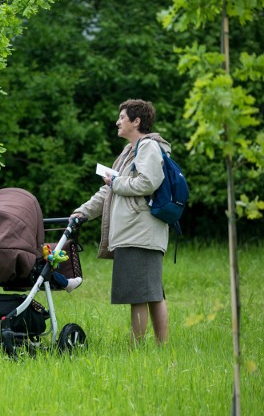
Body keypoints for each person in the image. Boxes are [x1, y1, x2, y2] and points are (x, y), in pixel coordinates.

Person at [70, 99, 170, 345]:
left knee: (141, 295)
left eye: (122, 117)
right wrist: (82, 212)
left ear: (136, 121)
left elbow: (147, 182)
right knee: (151, 294)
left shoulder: (149, 147)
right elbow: (110, 191)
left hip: (140, 232)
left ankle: (137, 351)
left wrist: (115, 183)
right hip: (134, 232)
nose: (117, 122)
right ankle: (161, 348)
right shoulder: (129, 152)